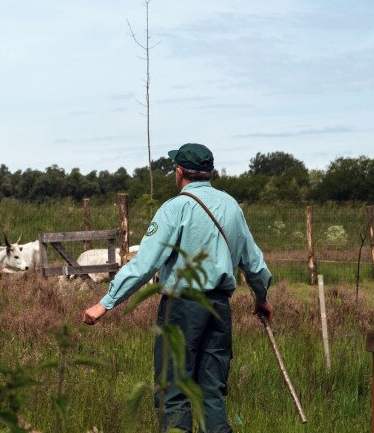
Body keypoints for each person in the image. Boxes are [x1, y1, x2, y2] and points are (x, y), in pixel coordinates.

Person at [82, 143, 273, 433]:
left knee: (173, 392)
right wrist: (261, 298)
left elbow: (144, 264)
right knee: (211, 392)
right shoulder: (232, 207)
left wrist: (106, 302)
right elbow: (254, 263)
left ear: (180, 172)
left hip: (182, 308)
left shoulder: (175, 208)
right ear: (209, 172)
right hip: (219, 308)